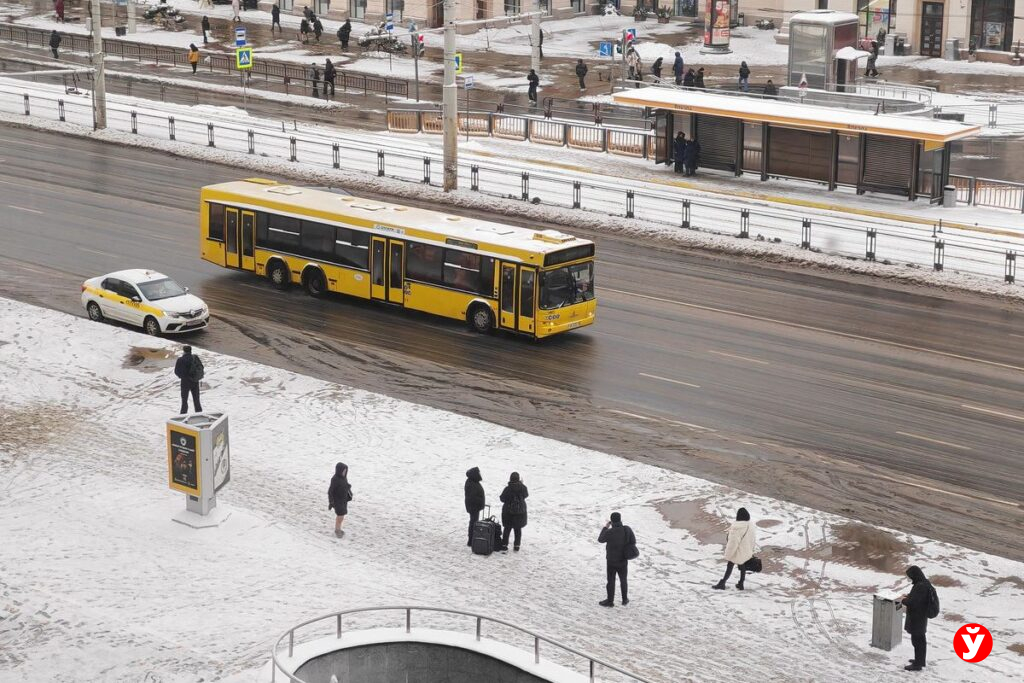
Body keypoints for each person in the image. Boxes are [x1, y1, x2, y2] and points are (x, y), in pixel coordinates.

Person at [898, 566, 937, 671]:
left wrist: (903, 600)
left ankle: (917, 665)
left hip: (917, 618)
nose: (910, 579)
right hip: (920, 618)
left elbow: (913, 603)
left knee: (917, 641)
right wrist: (908, 595)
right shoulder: (924, 583)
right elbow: (917, 598)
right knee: (920, 641)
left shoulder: (920, 586)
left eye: (911, 576)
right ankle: (919, 660)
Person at [598, 511, 636, 607]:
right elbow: (633, 541)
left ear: (612, 521)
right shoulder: (627, 529)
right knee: (623, 580)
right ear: (620, 519)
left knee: (611, 581)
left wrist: (606, 527)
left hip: (611, 560)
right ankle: (624, 599)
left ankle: (610, 601)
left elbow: (600, 539)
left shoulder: (609, 532)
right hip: (623, 560)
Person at [713, 508, 755, 589]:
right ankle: (741, 584)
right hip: (745, 550)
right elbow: (752, 539)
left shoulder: (737, 527)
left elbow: (733, 542)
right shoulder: (750, 525)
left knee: (730, 565)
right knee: (742, 565)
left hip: (737, 550)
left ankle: (722, 583)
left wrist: (729, 554)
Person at [498, 472, 528, 551]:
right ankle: (517, 546)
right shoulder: (523, 488)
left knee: (507, 529)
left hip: (508, 512)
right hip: (520, 513)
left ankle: (504, 545)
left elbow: (502, 499)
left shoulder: (507, 489)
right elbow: (526, 495)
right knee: (518, 529)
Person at [174, 345, 204, 414]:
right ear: (190, 350)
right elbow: (201, 367)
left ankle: (183, 414)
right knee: (196, 400)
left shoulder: (180, 360)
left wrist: (182, 376)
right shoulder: (195, 357)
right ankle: (199, 413)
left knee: (184, 400)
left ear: (184, 351)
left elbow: (176, 371)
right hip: (195, 381)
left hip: (185, 382)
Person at [328, 462, 352, 538]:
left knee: (342, 515)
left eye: (345, 471)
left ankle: (338, 528)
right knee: (340, 515)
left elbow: (345, 485)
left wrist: (348, 488)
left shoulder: (344, 478)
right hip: (337, 500)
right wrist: (331, 502)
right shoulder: (334, 479)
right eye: (343, 471)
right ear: (339, 470)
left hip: (343, 500)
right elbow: (330, 491)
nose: (344, 472)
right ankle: (337, 530)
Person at [464, 467, 485, 547]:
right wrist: (480, 502)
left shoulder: (471, 482)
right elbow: (473, 497)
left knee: (473, 522)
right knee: (473, 523)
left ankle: (471, 539)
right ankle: (471, 540)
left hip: (473, 506)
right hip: (474, 507)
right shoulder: (472, 483)